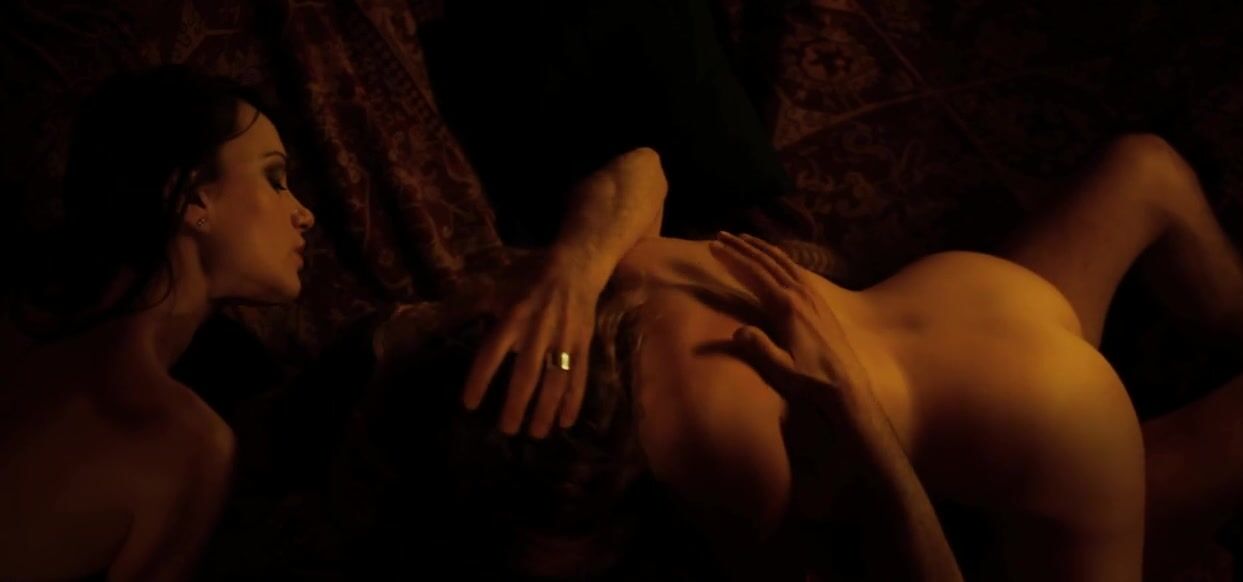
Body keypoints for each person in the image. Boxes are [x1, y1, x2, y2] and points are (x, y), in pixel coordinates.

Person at [375, 134, 1241, 580]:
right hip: (1007, 350)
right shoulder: (629, 284)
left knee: (1144, 171)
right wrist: (574, 268)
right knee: (1145, 171)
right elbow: (640, 167)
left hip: (1046, 399)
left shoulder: (709, 453)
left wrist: (862, 424)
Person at [0, 65, 315, 580]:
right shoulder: (183, 444)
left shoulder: (21, 324)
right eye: (274, 179)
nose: (304, 214)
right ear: (190, 197)